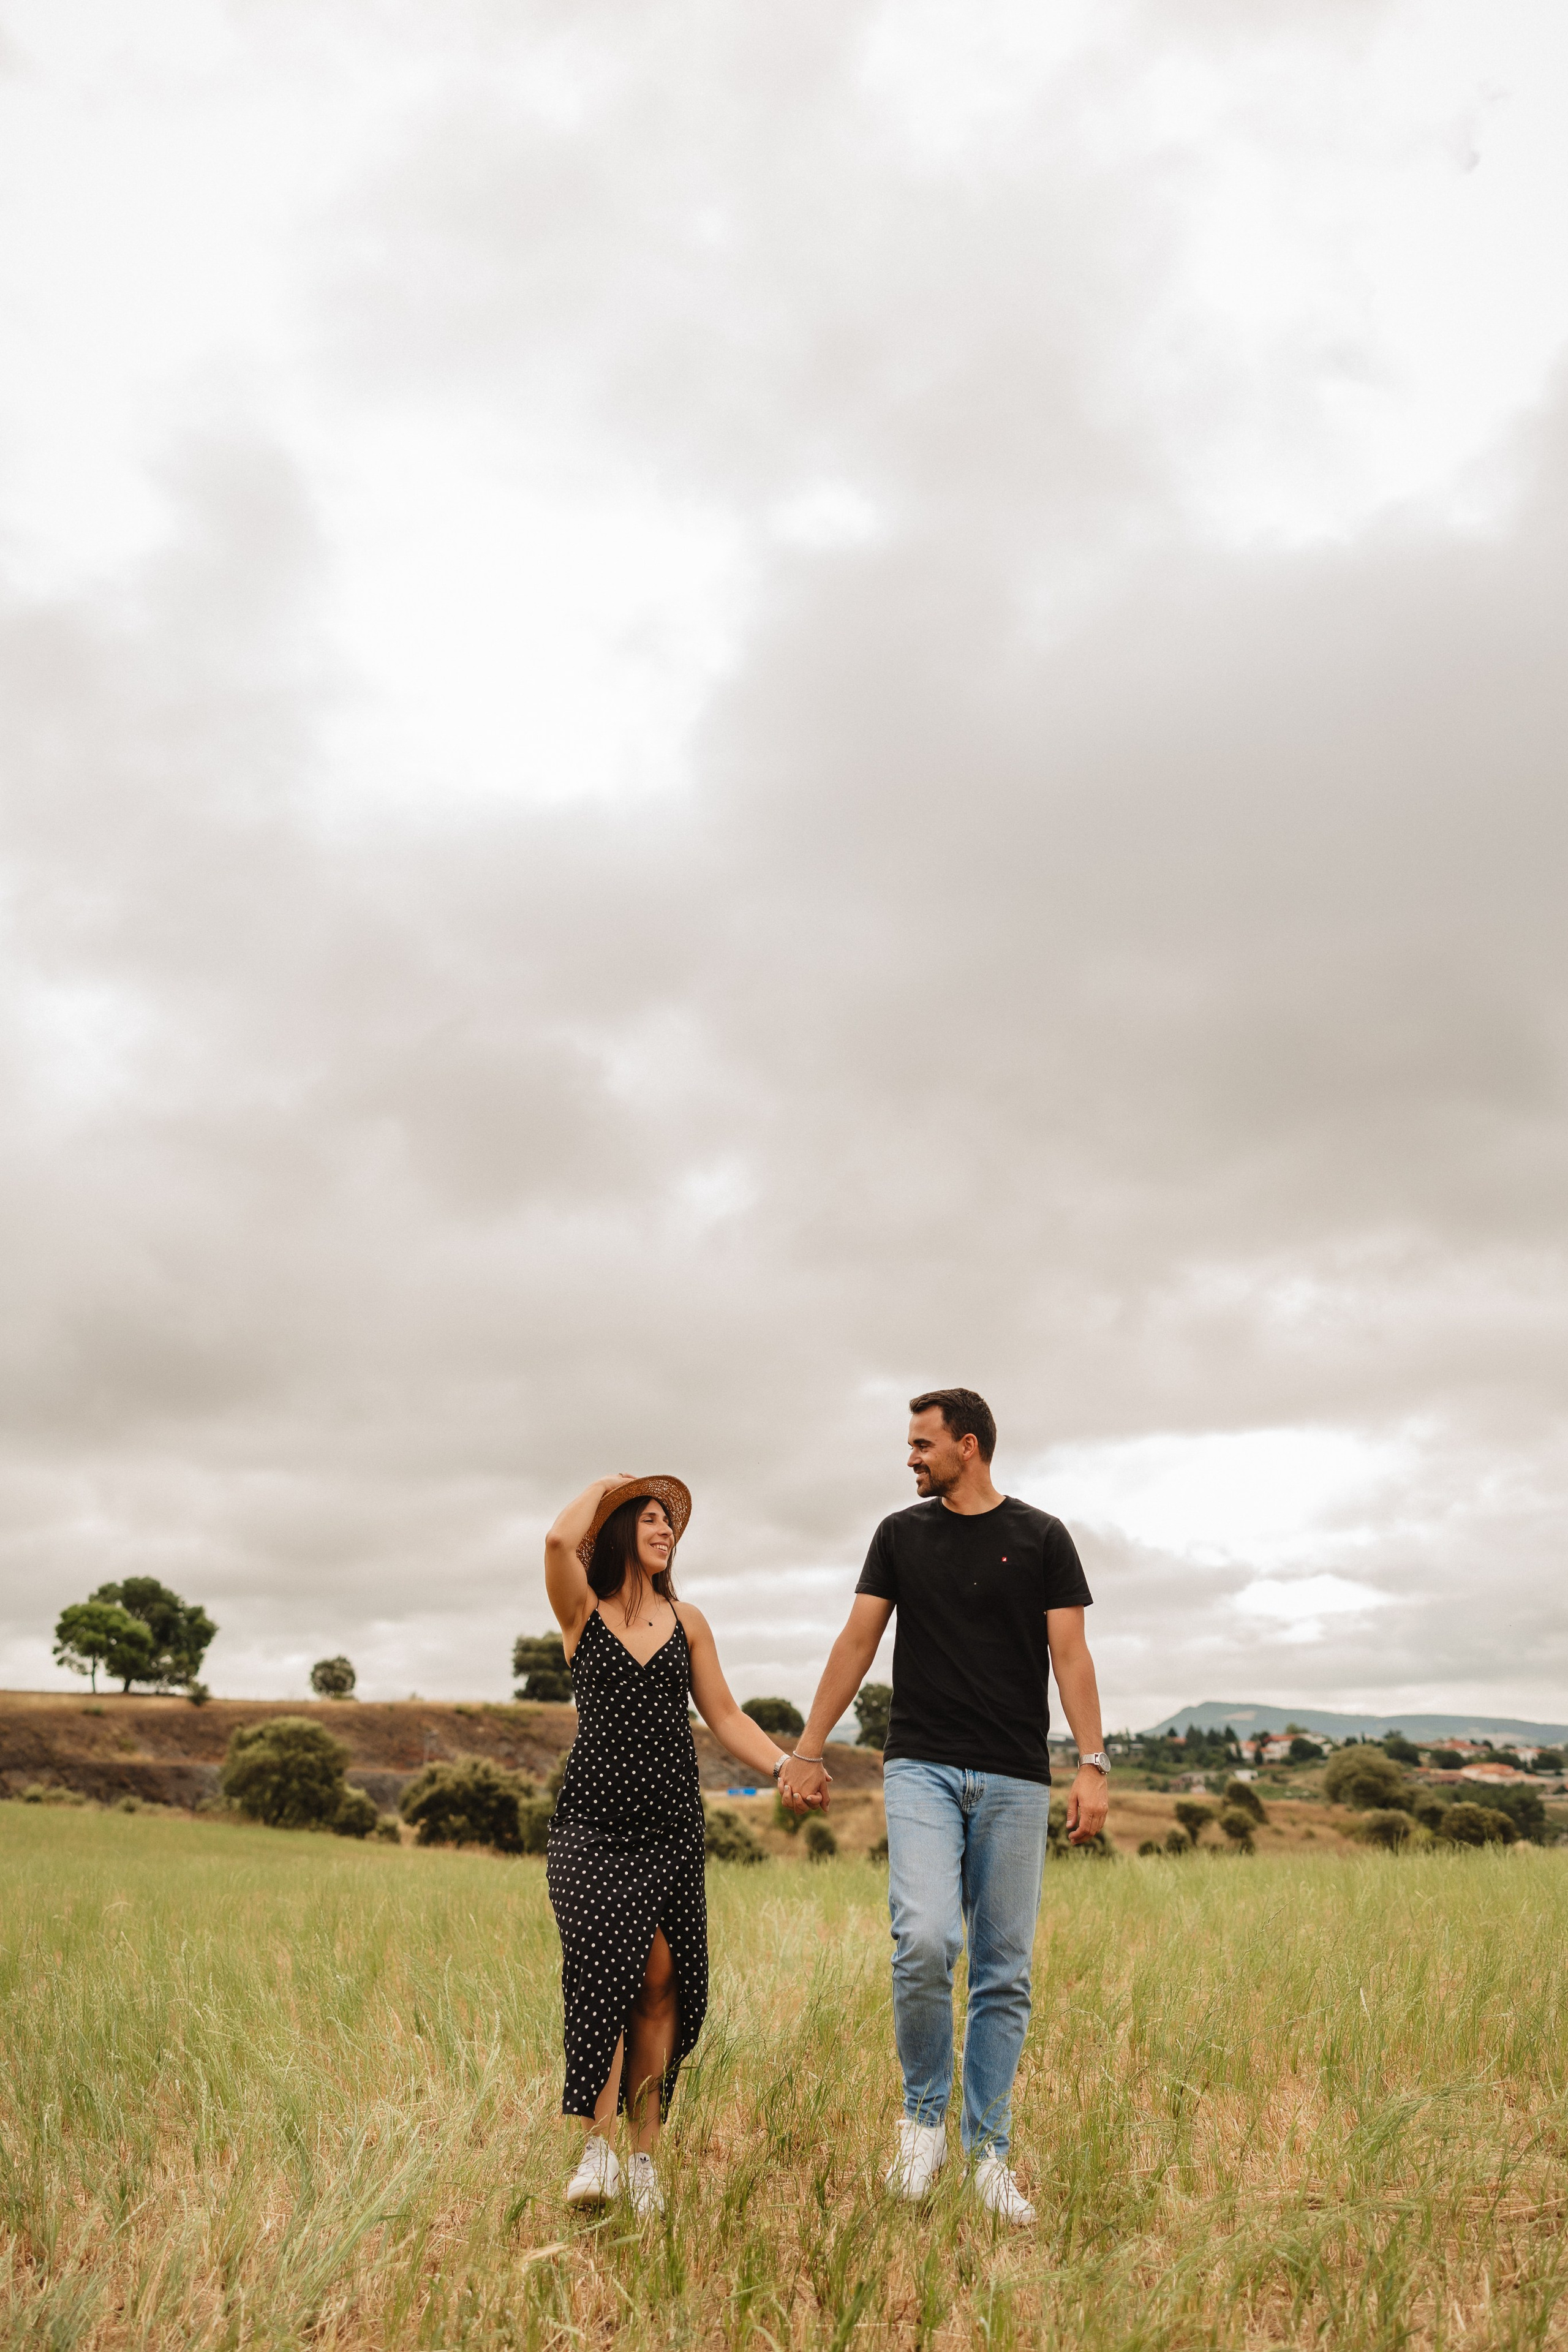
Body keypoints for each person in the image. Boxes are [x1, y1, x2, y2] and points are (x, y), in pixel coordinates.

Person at [780, 1389, 1109, 2226]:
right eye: (910, 1445)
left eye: (923, 1444)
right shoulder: (899, 1535)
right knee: (925, 1939)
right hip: (919, 1765)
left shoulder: (1043, 1538)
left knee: (1004, 1970)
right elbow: (857, 1640)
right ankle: (923, 2125)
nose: (911, 1457)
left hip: (1014, 1775)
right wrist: (809, 1747)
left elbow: (1070, 1654)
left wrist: (1092, 1762)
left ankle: (989, 2155)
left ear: (969, 1445)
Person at [542, 1471, 801, 2217]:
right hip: (591, 1826)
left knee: (662, 1982)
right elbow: (559, 1538)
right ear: (619, 1528)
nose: (665, 1531)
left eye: (669, 1523)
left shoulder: (688, 1621)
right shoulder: (580, 1612)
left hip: (671, 1829)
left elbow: (724, 1715)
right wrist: (611, 1485)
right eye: (650, 1519)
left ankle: (644, 2158)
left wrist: (784, 1765)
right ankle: (594, 2155)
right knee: (602, 1974)